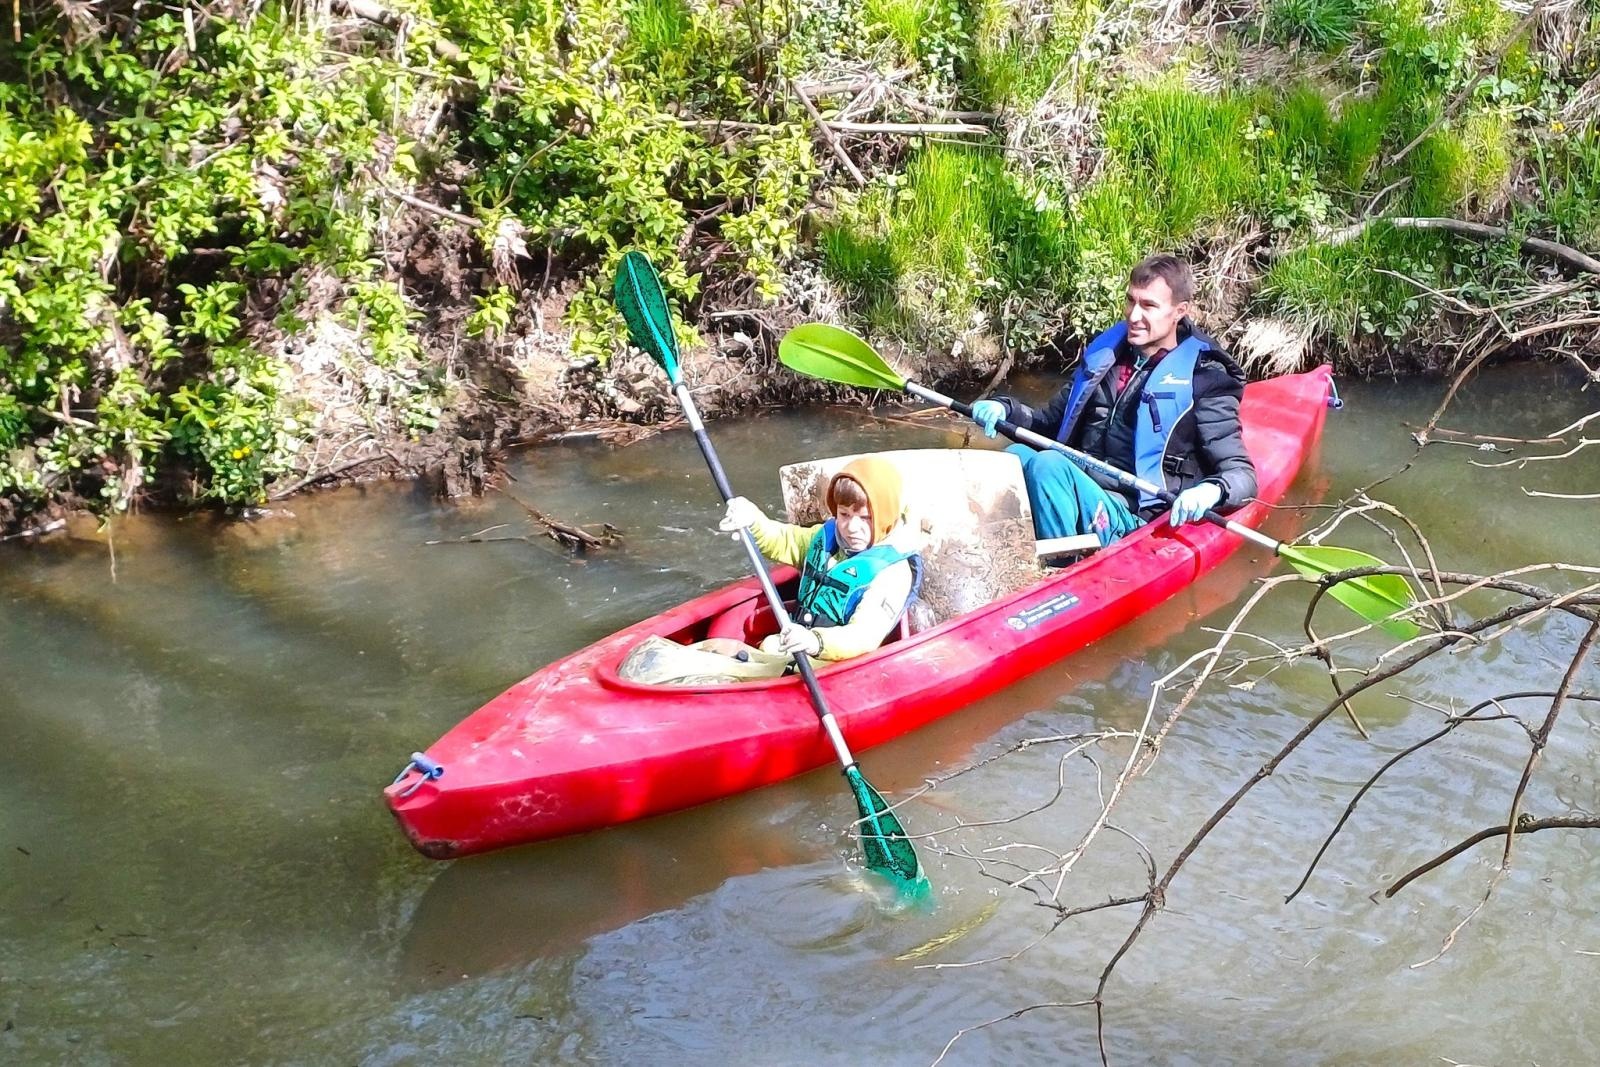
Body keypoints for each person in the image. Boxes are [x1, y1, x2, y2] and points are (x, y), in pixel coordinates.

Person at [968, 254, 1256, 547]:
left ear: (1179, 311)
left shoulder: (1205, 378)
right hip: (1081, 479)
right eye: (1131, 301)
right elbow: (1049, 425)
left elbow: (1241, 474)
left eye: (1149, 306)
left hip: (1135, 511)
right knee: (1014, 456)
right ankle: (995, 550)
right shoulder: (1108, 358)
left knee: (1048, 466)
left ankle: (1059, 568)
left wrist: (1212, 491)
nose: (1133, 316)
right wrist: (1005, 409)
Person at [719, 455, 923, 664]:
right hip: (794, 646)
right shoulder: (828, 537)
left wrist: (814, 641)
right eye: (844, 514)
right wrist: (752, 520)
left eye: (865, 518)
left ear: (884, 517)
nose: (851, 528)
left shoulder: (893, 573)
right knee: (718, 648)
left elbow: (863, 636)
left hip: (835, 664)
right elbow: (783, 540)